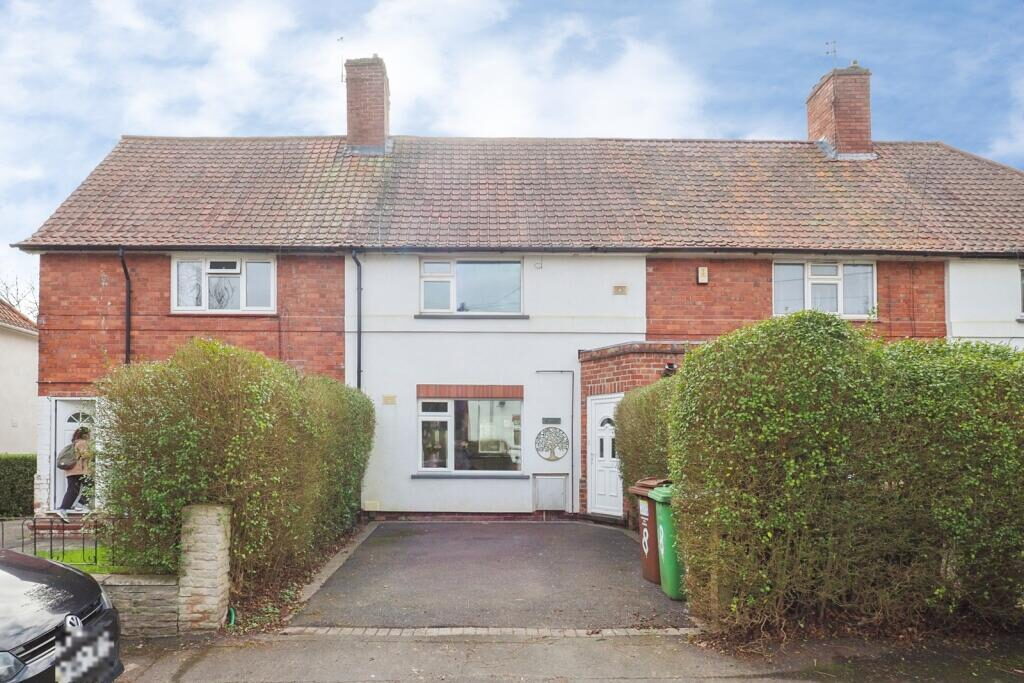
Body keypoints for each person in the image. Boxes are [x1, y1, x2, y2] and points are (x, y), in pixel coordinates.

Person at [55, 427, 92, 522]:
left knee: (73, 490)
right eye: (89, 434)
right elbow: (85, 455)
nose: (90, 436)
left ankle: (66, 508)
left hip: (71, 471)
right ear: (85, 435)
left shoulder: (75, 442)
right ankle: (77, 505)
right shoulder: (82, 443)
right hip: (79, 471)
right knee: (90, 486)